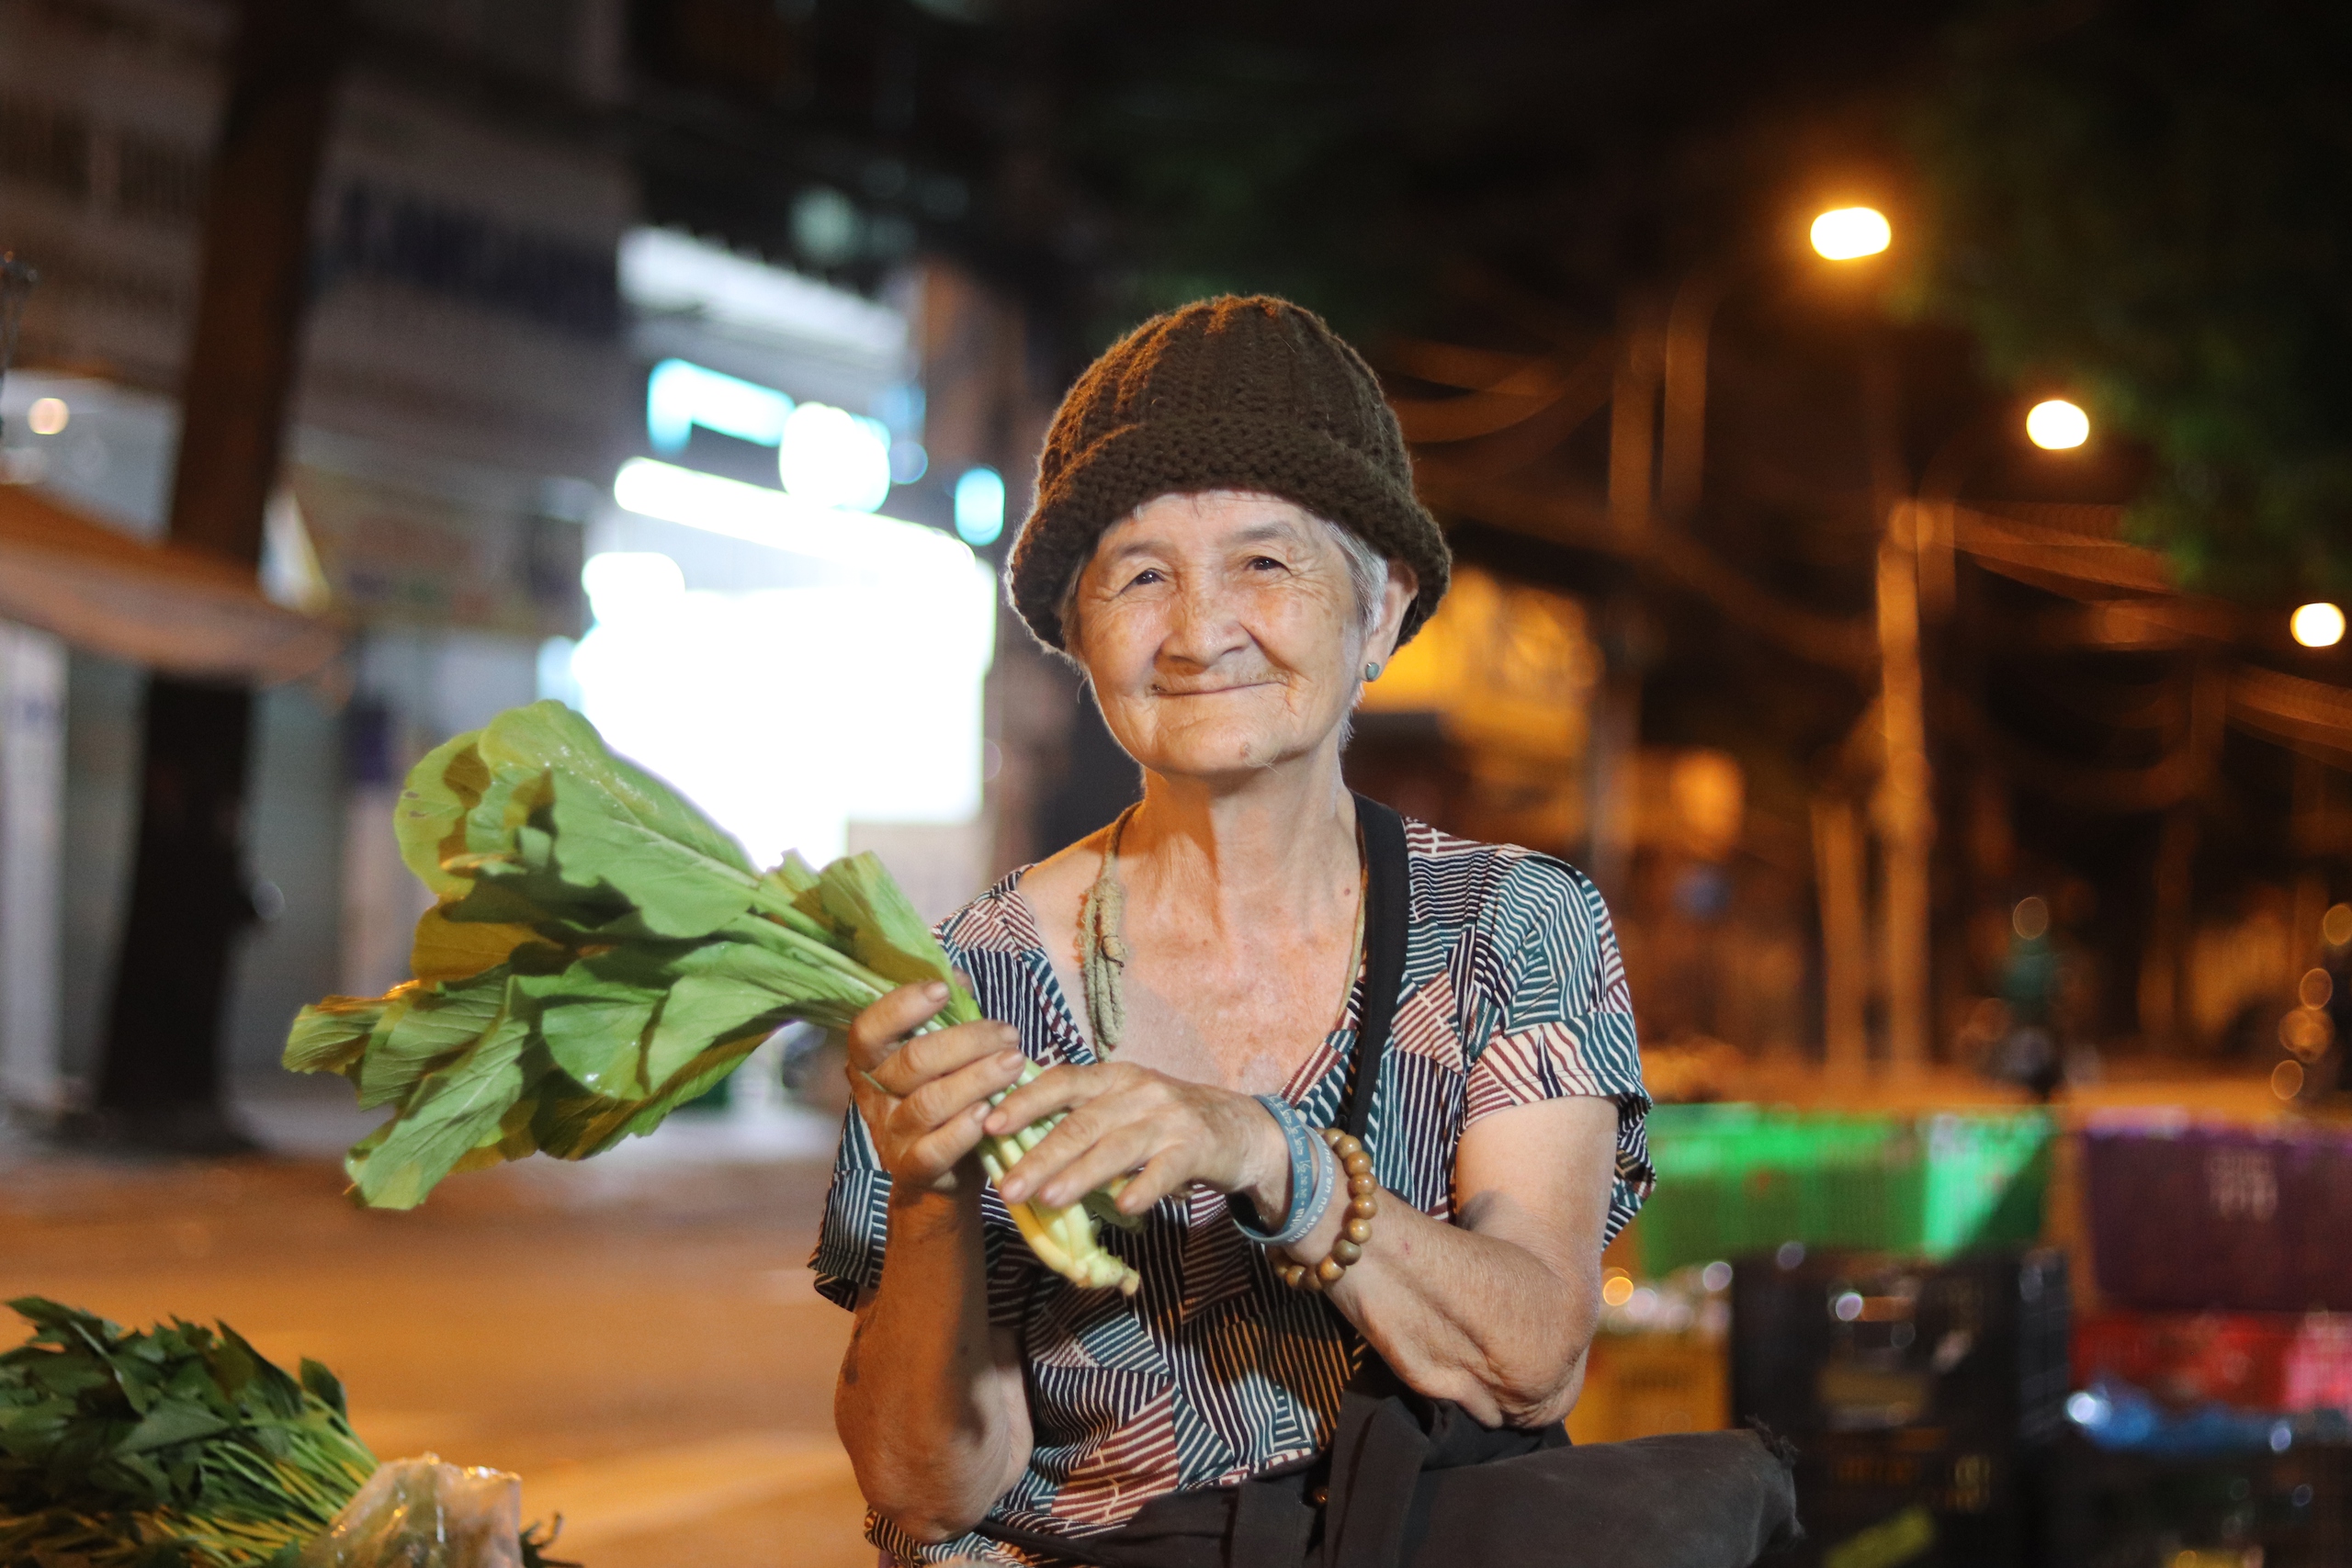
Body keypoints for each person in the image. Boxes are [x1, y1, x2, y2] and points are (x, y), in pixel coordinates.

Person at [813, 297, 1663, 1567]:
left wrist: (1263, 1150)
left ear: (1378, 611)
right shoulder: (967, 979)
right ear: (1079, 636)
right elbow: (925, 1486)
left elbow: (1531, 1357)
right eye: (1141, 575)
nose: (1201, 631)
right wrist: (934, 1193)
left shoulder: (1512, 926)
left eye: (1265, 563)